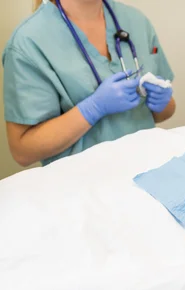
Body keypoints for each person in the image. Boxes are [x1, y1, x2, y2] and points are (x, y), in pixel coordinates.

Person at [2, 0, 175, 166]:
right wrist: (92, 108)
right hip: (84, 185)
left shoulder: (136, 21)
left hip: (148, 166)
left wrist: (163, 100)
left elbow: (164, 112)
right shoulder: (29, 41)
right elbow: (23, 152)